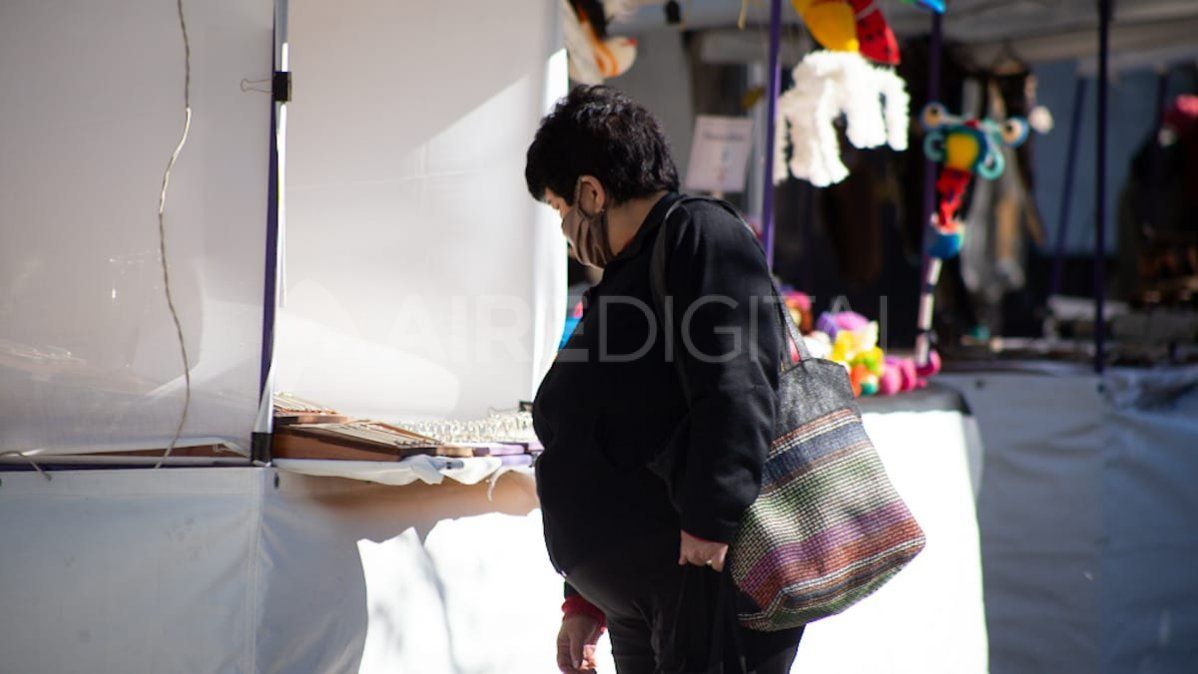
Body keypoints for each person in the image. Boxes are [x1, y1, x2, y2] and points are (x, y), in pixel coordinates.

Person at [526, 85, 804, 674]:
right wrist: (583, 599)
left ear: (591, 192)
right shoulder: (632, 269)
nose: (564, 231)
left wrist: (708, 527)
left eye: (559, 210)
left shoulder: (699, 235)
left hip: (702, 581)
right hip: (649, 599)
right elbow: (604, 430)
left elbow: (736, 388)